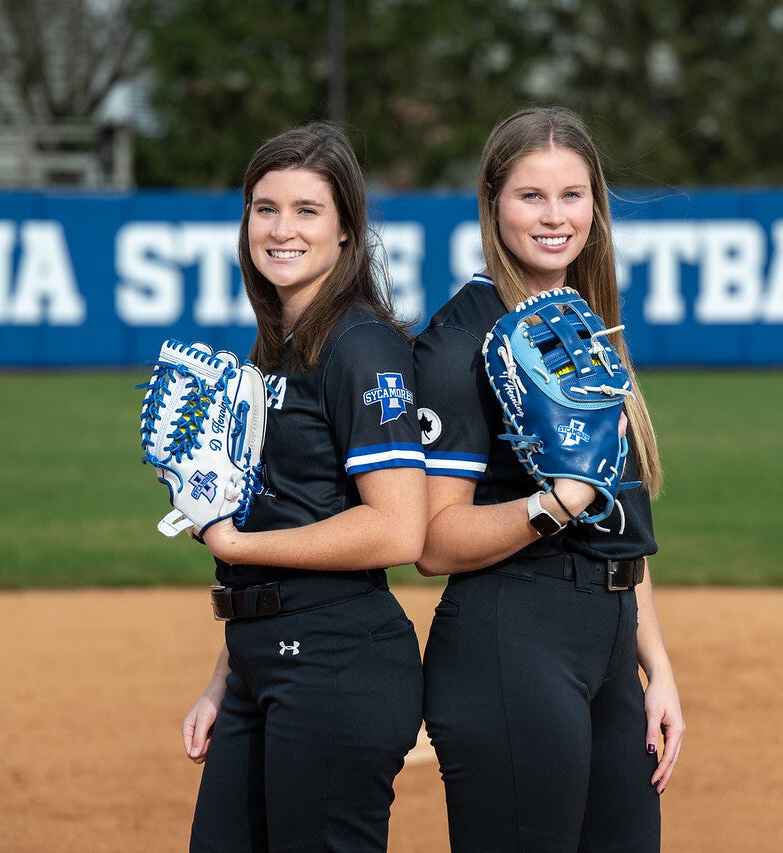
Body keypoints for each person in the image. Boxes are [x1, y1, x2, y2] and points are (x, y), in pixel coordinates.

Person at [413, 106, 685, 852]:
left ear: (595, 208)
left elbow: (619, 523)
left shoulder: (582, 327)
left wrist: (653, 665)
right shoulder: (458, 342)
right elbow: (433, 542)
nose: (554, 216)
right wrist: (555, 502)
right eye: (530, 195)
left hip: (606, 647)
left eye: (572, 195)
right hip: (511, 640)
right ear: (492, 201)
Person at [179, 122, 425, 852]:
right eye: (265, 207)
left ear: (347, 229)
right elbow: (287, 505)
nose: (281, 229)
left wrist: (236, 539)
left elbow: (397, 529)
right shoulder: (275, 349)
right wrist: (228, 675)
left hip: (336, 663)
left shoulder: (361, 344)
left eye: (307, 210)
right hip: (268, 658)